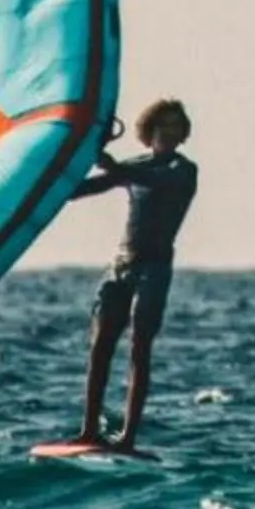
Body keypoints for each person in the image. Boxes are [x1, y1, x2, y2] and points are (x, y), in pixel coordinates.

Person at [69, 98, 197, 450]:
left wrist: (112, 166)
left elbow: (146, 178)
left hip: (153, 270)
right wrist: (57, 175)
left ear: (183, 134)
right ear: (149, 131)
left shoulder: (184, 171)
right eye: (163, 125)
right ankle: (89, 431)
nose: (170, 132)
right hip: (120, 267)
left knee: (140, 348)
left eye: (176, 126)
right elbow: (84, 189)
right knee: (100, 347)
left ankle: (128, 438)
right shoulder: (134, 167)